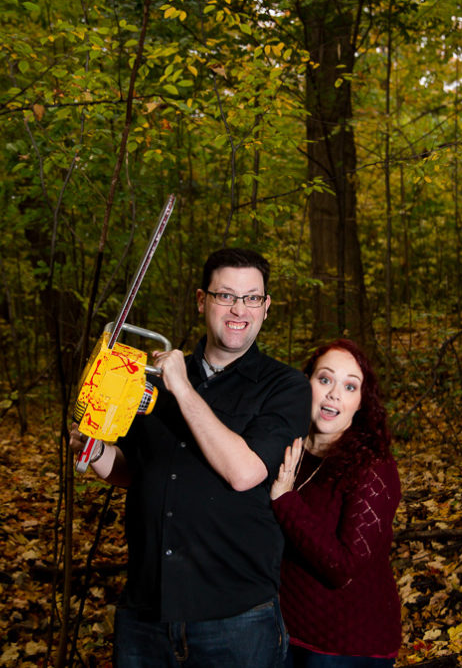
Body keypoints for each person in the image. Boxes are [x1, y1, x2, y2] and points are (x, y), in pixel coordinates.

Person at [72, 248, 312, 667]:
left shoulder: (286, 387)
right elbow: (132, 471)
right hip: (146, 613)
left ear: (266, 307)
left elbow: (244, 472)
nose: (239, 309)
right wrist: (95, 452)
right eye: (225, 296)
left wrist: (182, 389)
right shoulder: (153, 377)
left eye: (252, 298)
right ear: (202, 300)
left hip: (237, 620)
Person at [270, 339, 403, 667]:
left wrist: (286, 500)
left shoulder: (373, 468)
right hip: (284, 631)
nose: (334, 394)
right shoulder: (288, 447)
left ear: (361, 402)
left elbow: (342, 568)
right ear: (307, 384)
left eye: (349, 386)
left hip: (347, 646)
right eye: (325, 379)